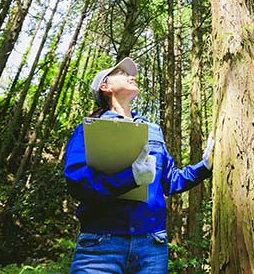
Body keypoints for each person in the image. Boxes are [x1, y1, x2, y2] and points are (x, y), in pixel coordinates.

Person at [64, 57, 214, 274]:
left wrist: (205, 165)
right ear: (105, 87)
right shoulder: (88, 129)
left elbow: (170, 181)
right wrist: (130, 177)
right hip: (100, 243)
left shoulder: (153, 130)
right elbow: (77, 182)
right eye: (122, 74)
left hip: (151, 244)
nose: (131, 76)